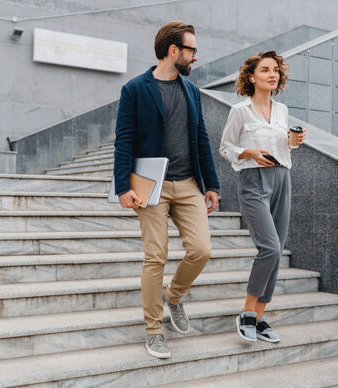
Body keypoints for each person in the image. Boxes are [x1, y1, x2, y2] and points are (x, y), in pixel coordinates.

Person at [113, 21, 220, 359]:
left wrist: (211, 184)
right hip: (150, 184)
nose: (196, 57)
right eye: (192, 50)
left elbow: (201, 137)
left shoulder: (191, 91)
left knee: (201, 250)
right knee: (155, 256)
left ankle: (173, 296)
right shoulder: (135, 89)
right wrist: (122, 186)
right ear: (173, 51)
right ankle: (154, 329)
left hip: (188, 183)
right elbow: (124, 140)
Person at [219, 50, 305, 343]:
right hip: (253, 180)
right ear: (252, 76)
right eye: (266, 70)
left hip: (282, 178)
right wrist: (249, 152)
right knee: (268, 246)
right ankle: (246, 313)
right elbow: (225, 147)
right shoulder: (240, 111)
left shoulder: (281, 110)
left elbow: (286, 146)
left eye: (276, 71)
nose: (272, 74)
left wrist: (294, 141)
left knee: (277, 249)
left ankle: (261, 315)